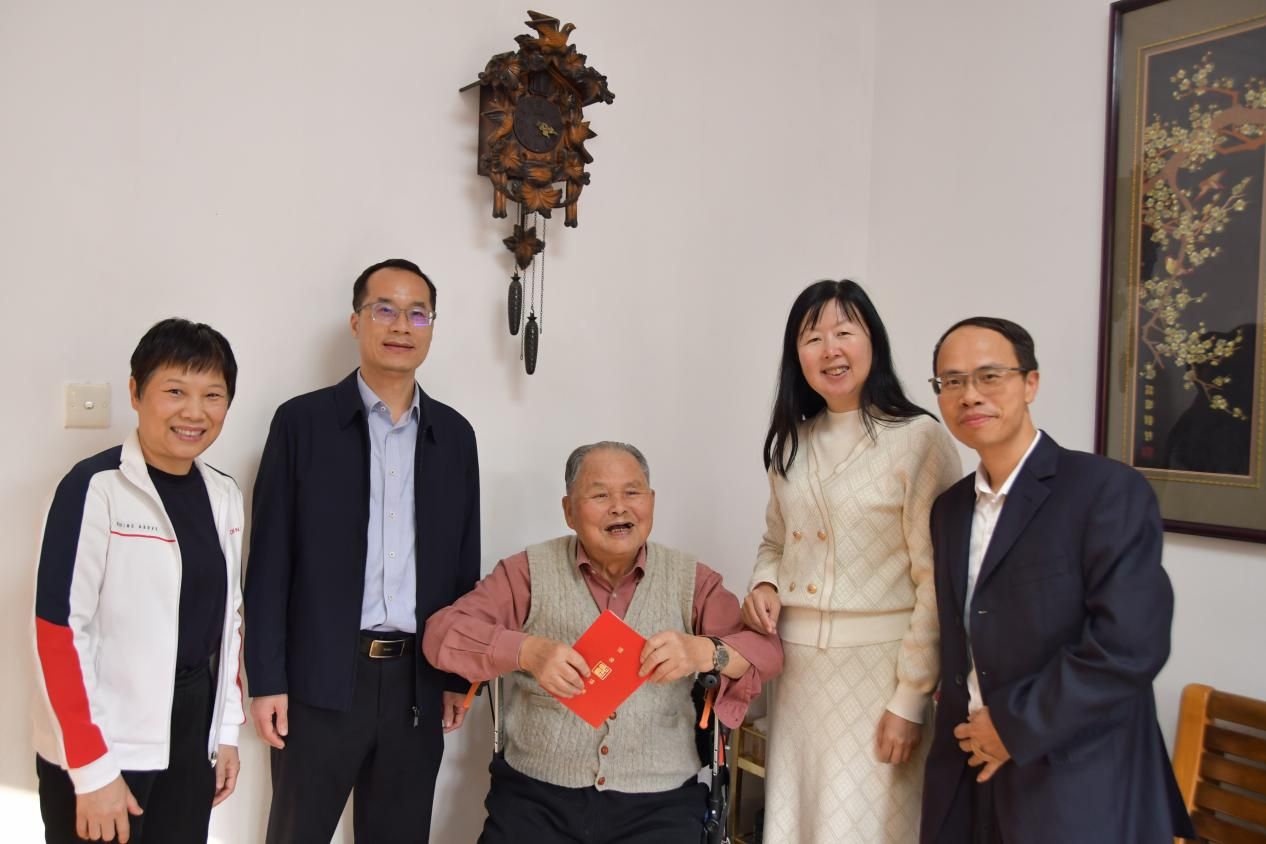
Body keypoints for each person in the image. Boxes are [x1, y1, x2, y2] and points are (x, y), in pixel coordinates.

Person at [423, 441, 783, 844]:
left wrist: (706, 652)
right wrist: (526, 651)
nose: (619, 507)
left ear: (651, 501)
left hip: (660, 804)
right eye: (599, 495)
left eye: (632, 492)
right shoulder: (526, 573)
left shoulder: (691, 580)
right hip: (536, 798)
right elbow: (441, 634)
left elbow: (767, 651)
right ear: (568, 511)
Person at [920, 316, 1194, 843]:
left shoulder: (1105, 490)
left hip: (1076, 783)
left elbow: (1129, 644)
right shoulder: (949, 509)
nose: (969, 395)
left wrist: (1012, 727)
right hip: (968, 777)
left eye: (989, 376)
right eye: (951, 381)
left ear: (1031, 383)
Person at [244, 258, 480, 843]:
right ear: (356, 322)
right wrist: (266, 678)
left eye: (418, 314)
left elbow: (463, 564)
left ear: (432, 326)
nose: (401, 325)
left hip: (417, 681)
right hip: (319, 679)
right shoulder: (301, 424)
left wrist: (459, 673)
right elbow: (268, 564)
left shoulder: (454, 435)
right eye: (385, 310)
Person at [740, 279, 962, 843]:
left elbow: (936, 581)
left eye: (844, 332)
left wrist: (910, 699)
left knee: (868, 826)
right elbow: (775, 542)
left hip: (879, 675)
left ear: (873, 342)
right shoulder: (791, 442)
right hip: (798, 676)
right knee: (798, 822)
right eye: (812, 337)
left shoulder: (919, 439)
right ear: (796, 355)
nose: (830, 349)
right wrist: (765, 584)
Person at [32, 318, 244, 844]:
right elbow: (58, 632)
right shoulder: (94, 488)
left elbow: (229, 622)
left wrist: (225, 732)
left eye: (212, 395)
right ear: (135, 392)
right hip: (106, 737)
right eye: (175, 391)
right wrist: (92, 769)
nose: (194, 412)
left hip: (190, 731)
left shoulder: (223, 495)